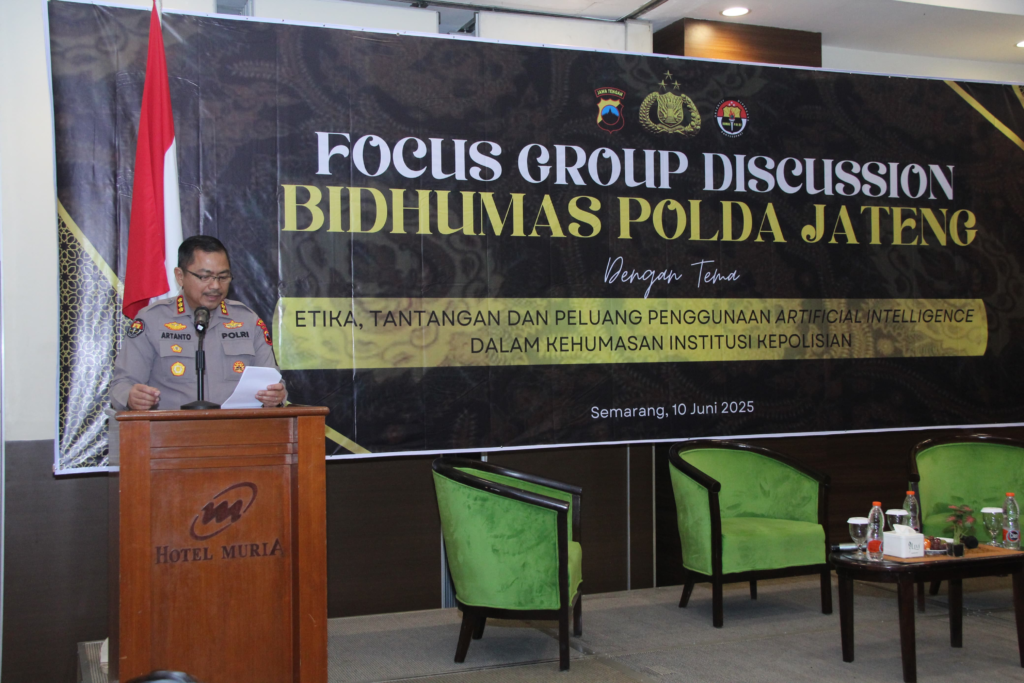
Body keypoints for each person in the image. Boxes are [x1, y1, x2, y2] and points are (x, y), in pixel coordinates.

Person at [110, 235, 286, 410]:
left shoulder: (247, 320)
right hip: (171, 427)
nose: (215, 285)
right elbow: (122, 385)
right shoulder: (152, 320)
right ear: (180, 276)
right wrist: (132, 397)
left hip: (235, 426)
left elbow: (273, 382)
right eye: (205, 277)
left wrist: (276, 396)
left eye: (223, 277)